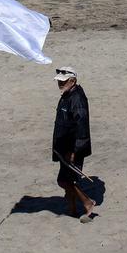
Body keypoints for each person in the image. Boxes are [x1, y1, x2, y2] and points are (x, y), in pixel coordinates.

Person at [52, 66, 96, 222]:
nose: (60, 84)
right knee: (67, 179)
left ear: (73, 80)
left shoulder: (77, 98)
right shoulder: (67, 94)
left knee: (65, 180)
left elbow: (81, 126)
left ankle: (88, 203)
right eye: (59, 82)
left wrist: (74, 151)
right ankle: (71, 209)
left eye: (63, 82)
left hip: (73, 148)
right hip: (64, 147)